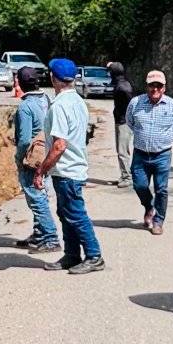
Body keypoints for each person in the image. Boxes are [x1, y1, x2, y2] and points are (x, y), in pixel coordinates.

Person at [43, 57, 105, 273]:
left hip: (67, 170)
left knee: (76, 214)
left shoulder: (60, 105)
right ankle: (71, 254)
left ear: (53, 78)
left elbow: (59, 145)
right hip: (73, 167)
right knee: (66, 213)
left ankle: (94, 256)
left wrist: (42, 169)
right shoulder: (78, 100)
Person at [127, 69, 173, 235]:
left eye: (159, 86)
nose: (155, 89)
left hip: (162, 155)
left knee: (162, 189)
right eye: (152, 85)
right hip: (140, 154)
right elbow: (130, 122)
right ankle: (149, 207)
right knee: (139, 185)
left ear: (164, 88)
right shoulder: (135, 103)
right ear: (146, 86)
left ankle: (158, 221)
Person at [12, 66, 61, 254]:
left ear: (21, 83)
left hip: (32, 157)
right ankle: (39, 233)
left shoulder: (25, 106)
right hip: (46, 153)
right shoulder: (46, 99)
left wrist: (19, 158)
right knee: (40, 194)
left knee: (35, 197)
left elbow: (24, 139)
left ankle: (50, 238)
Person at [108, 61, 135, 186]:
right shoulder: (121, 83)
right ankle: (124, 175)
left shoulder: (123, 87)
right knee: (122, 150)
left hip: (124, 122)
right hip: (120, 120)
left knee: (122, 151)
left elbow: (132, 104)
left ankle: (127, 177)